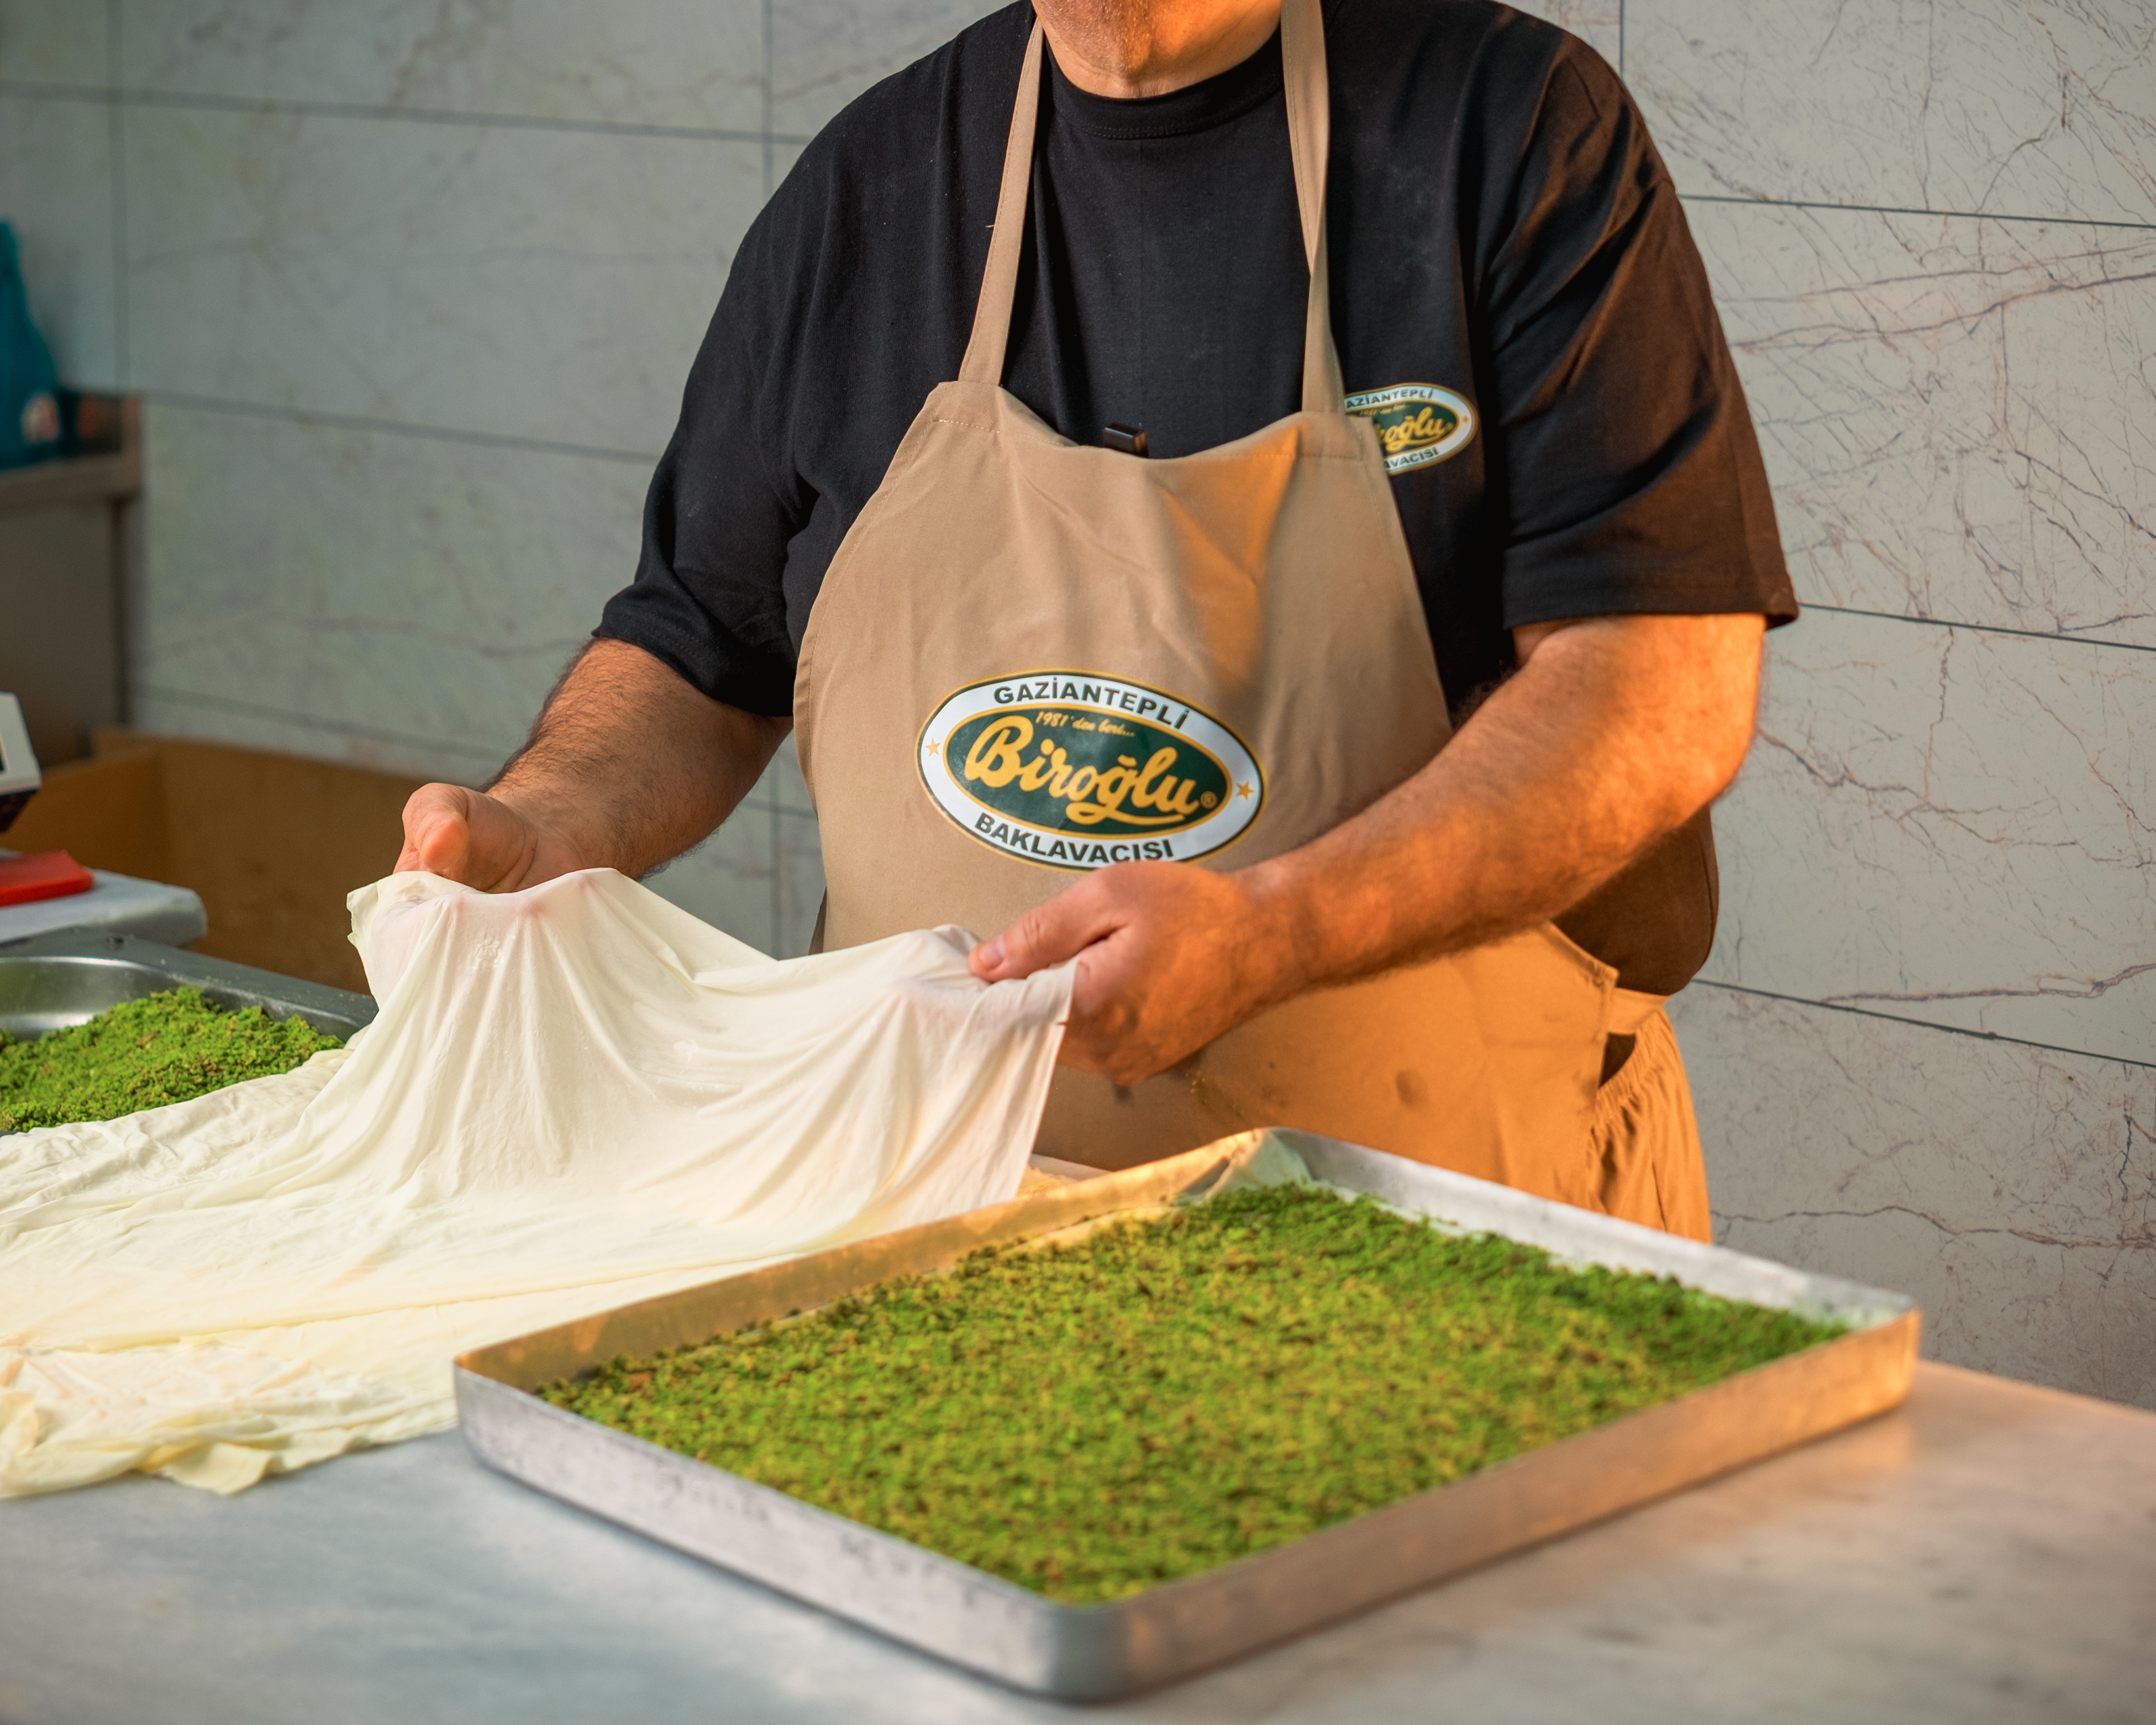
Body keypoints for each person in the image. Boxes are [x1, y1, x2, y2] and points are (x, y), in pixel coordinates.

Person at [398, 0, 1793, 1239]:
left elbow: (1659, 690)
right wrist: (554, 821)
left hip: (1450, 1220)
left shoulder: (1512, 131)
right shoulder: (873, 187)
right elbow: (704, 642)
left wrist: (1274, 935)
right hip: (920, 1237)